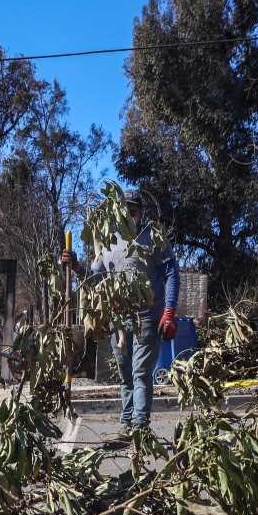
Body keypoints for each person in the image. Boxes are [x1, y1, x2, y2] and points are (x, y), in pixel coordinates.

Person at [89, 187, 180, 436]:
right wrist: (74, 265)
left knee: (141, 372)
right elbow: (95, 279)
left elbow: (172, 274)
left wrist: (169, 312)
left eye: (133, 212)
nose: (128, 217)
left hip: (148, 318)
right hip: (119, 320)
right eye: (124, 212)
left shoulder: (153, 237)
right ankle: (126, 424)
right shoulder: (107, 242)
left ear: (141, 213)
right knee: (125, 374)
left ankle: (139, 426)